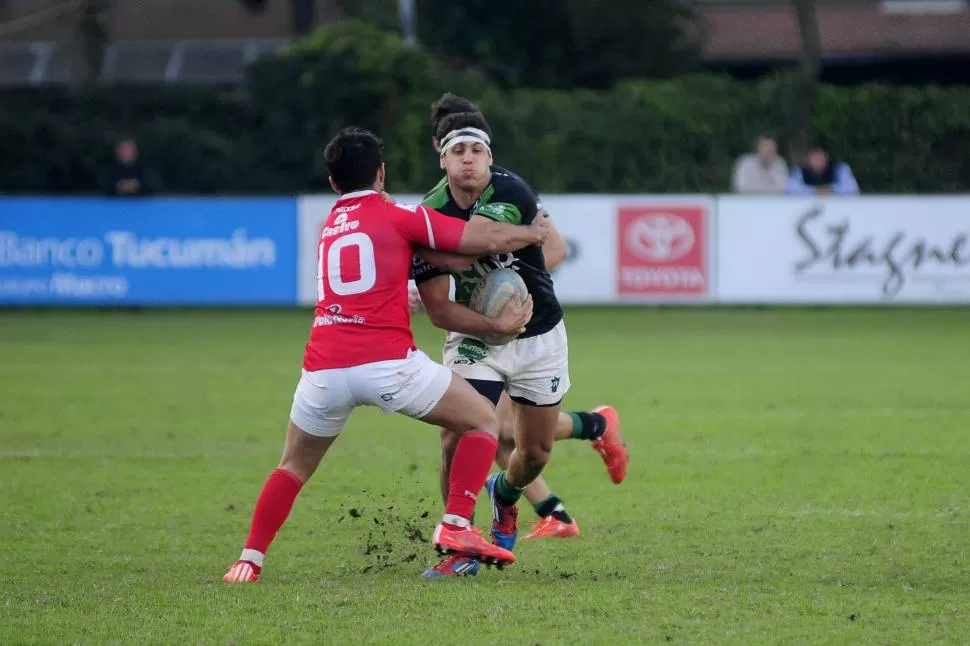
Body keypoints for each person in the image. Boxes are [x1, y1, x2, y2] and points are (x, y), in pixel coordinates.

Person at [223, 127, 552, 583]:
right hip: (387, 364)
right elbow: (481, 242)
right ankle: (457, 526)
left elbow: (411, 263)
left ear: (335, 183)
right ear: (381, 173)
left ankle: (249, 560)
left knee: (293, 466)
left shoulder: (329, 228)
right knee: (482, 422)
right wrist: (531, 231)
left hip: (323, 370)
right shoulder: (400, 215)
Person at [412, 110, 627, 579]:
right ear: (441, 158)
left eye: (477, 150)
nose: (468, 159)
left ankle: (505, 496)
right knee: (458, 431)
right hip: (475, 335)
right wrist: (488, 318)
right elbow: (438, 310)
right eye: (457, 151)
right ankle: (460, 542)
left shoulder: (515, 193)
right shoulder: (428, 215)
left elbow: (546, 247)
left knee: (533, 453)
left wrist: (512, 291)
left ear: (490, 157)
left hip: (539, 333)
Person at [786, 145, 860, 196]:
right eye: (814, 157)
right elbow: (791, 189)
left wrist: (831, 190)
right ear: (808, 159)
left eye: (820, 156)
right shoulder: (799, 172)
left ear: (826, 156)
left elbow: (852, 189)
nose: (817, 160)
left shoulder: (839, 169)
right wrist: (815, 191)